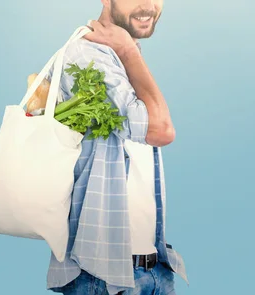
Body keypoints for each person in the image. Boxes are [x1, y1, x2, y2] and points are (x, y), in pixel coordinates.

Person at [41, 0, 188, 294]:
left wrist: (128, 52)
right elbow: (161, 130)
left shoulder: (120, 54)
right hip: (103, 275)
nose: (149, 5)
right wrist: (129, 51)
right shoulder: (85, 54)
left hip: (152, 266)